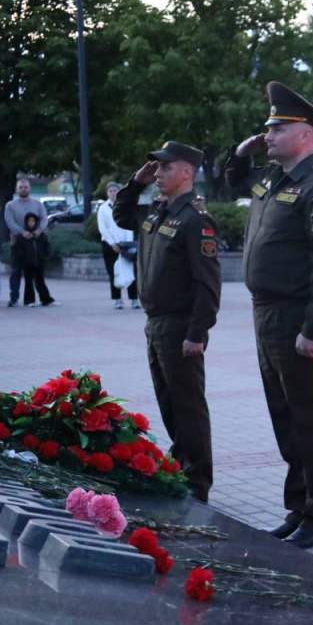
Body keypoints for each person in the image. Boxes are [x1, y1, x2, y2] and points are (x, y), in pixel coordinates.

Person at [224, 81, 313, 548]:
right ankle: (299, 505)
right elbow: (235, 179)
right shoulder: (275, 179)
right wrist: (241, 150)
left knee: (310, 417)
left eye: (278, 127)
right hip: (266, 313)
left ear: (307, 136)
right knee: (284, 415)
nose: (267, 134)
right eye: (266, 127)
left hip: (297, 316)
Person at [114, 141, 221, 503]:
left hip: (180, 327)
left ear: (187, 173)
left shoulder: (195, 218)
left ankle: (198, 481)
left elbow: (208, 285)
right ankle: (181, 466)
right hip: (155, 323)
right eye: (156, 168)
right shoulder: (157, 212)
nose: (157, 173)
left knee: (188, 405)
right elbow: (120, 215)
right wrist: (135, 183)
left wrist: (197, 333)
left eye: (165, 168)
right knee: (169, 401)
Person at [3, 178, 49, 307]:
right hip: (18, 243)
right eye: (21, 187)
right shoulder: (10, 205)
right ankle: (14, 298)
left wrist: (39, 230)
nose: (23, 189)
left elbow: (44, 218)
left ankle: (44, 298)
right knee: (16, 271)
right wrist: (22, 232)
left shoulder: (37, 204)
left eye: (26, 187)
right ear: (17, 189)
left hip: (35, 244)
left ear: (30, 188)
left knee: (37, 272)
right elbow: (9, 221)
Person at [97, 183, 140, 310]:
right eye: (110, 191)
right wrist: (112, 243)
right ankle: (117, 299)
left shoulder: (124, 207)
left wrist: (126, 244)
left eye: (115, 190)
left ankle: (134, 299)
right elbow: (102, 228)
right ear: (107, 193)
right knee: (113, 273)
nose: (113, 193)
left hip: (126, 244)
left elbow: (129, 226)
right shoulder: (103, 208)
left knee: (131, 272)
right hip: (109, 245)